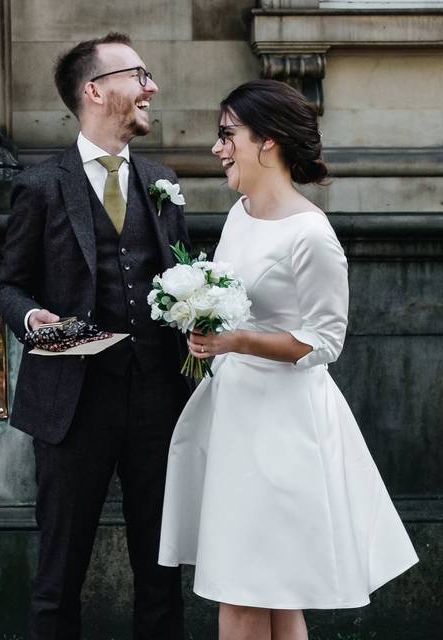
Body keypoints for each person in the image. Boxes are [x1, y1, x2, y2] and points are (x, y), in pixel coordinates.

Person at [158, 80, 418, 640]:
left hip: (283, 427)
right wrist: (202, 324)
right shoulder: (240, 214)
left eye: (228, 135)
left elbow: (327, 340)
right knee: (271, 594)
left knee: (243, 590)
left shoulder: (311, 235)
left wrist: (237, 342)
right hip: (236, 415)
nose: (217, 148)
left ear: (267, 142)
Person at [0, 32, 192, 640]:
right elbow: (10, 286)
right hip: (71, 405)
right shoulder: (41, 185)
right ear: (95, 90)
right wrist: (33, 320)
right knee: (60, 571)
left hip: (158, 401)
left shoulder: (162, 181)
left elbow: (180, 274)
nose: (151, 87)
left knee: (161, 572)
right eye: (139, 75)